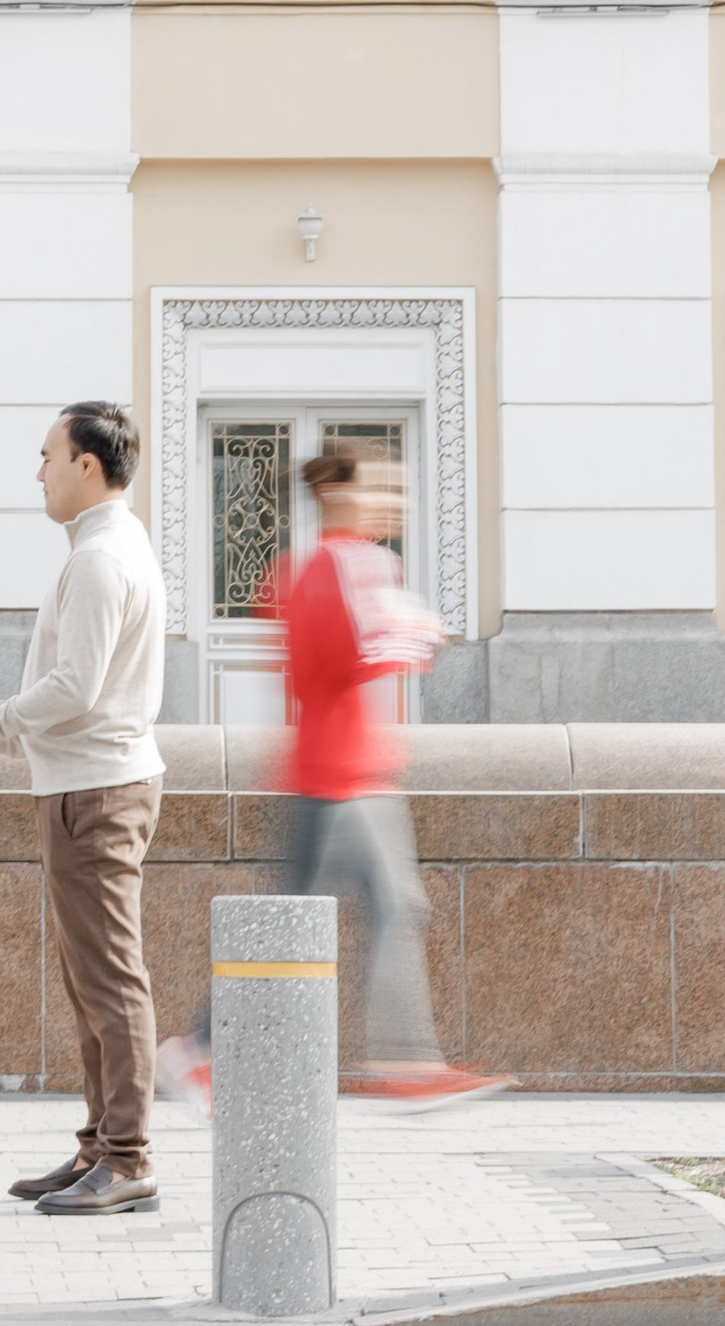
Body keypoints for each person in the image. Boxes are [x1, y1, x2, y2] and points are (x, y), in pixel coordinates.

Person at [159, 455, 511, 1115]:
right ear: (336, 493)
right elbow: (336, 660)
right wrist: (411, 634)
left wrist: (407, 635)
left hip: (347, 771)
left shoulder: (336, 567)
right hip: (336, 776)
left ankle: (202, 1048)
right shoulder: (331, 567)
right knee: (365, 912)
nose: (394, 501)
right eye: (381, 487)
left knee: (309, 919)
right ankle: (401, 1062)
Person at [0, 401, 168, 1217]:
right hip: (87, 784)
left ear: (87, 466)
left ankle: (126, 1157)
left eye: (47, 457)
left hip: (95, 789)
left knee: (110, 980)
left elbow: (76, 688)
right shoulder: (109, 548)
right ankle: (100, 1146)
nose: (39, 473)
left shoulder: (100, 559)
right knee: (90, 978)